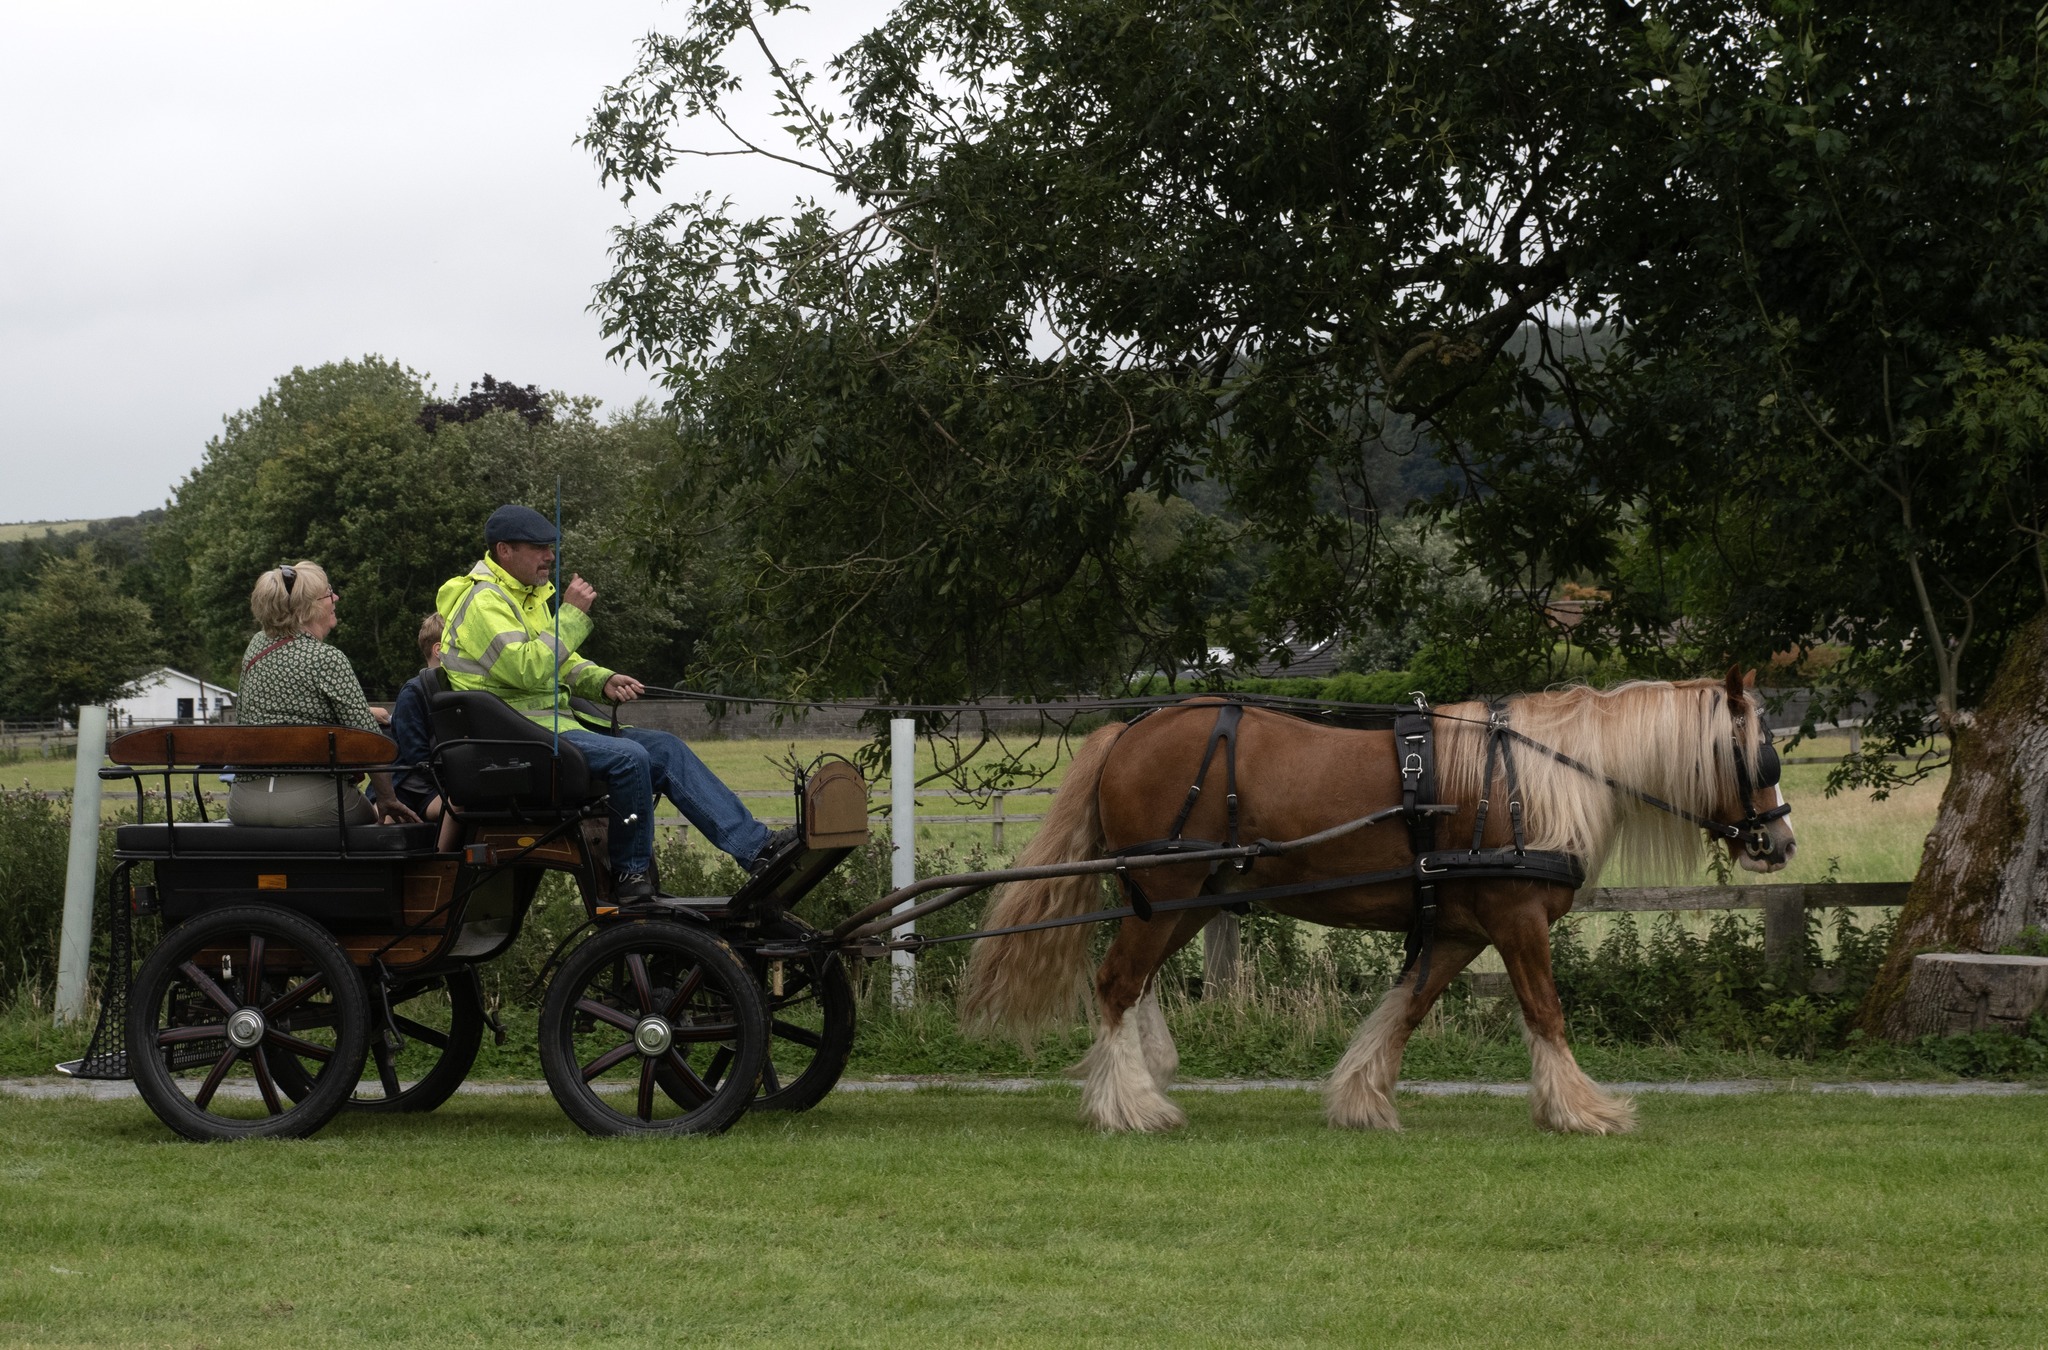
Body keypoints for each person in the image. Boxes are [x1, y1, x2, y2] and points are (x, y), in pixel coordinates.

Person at [435, 505, 796, 899]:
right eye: (539, 547)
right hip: (515, 741)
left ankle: (757, 848)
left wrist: (602, 680)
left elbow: (559, 661)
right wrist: (571, 615)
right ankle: (630, 875)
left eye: (551, 547)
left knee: (665, 748)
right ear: (505, 550)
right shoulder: (483, 602)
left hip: (549, 729)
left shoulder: (524, 596)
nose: (550, 556)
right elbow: (527, 668)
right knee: (629, 757)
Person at [228, 561, 421, 829]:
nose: (336, 598)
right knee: (377, 818)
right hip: (311, 803)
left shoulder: (256, 645)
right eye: (329, 593)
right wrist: (387, 798)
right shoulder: (327, 659)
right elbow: (369, 741)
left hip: (244, 803)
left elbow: (282, 709)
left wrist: (364, 712)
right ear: (310, 607)